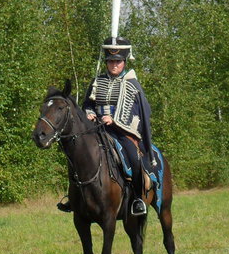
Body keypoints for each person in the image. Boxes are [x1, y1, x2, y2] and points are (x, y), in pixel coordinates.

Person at [58, 35, 157, 216]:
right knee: (77, 154)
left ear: (124, 62)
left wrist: (115, 120)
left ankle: (136, 199)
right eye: (111, 61)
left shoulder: (132, 84)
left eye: (118, 61)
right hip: (97, 129)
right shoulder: (98, 81)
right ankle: (74, 197)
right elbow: (88, 103)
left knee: (133, 159)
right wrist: (89, 112)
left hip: (122, 131)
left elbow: (138, 111)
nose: (114, 65)